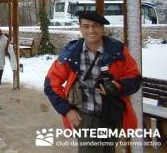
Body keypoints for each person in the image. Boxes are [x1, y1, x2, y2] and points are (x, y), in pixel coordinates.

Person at [44, 11, 142, 153]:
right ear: (80, 28)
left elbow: (135, 77)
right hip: (85, 118)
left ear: (102, 28)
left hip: (112, 116)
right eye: (86, 26)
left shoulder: (117, 50)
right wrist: (67, 110)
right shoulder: (71, 53)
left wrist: (119, 87)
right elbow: (51, 84)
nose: (91, 30)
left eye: (95, 26)